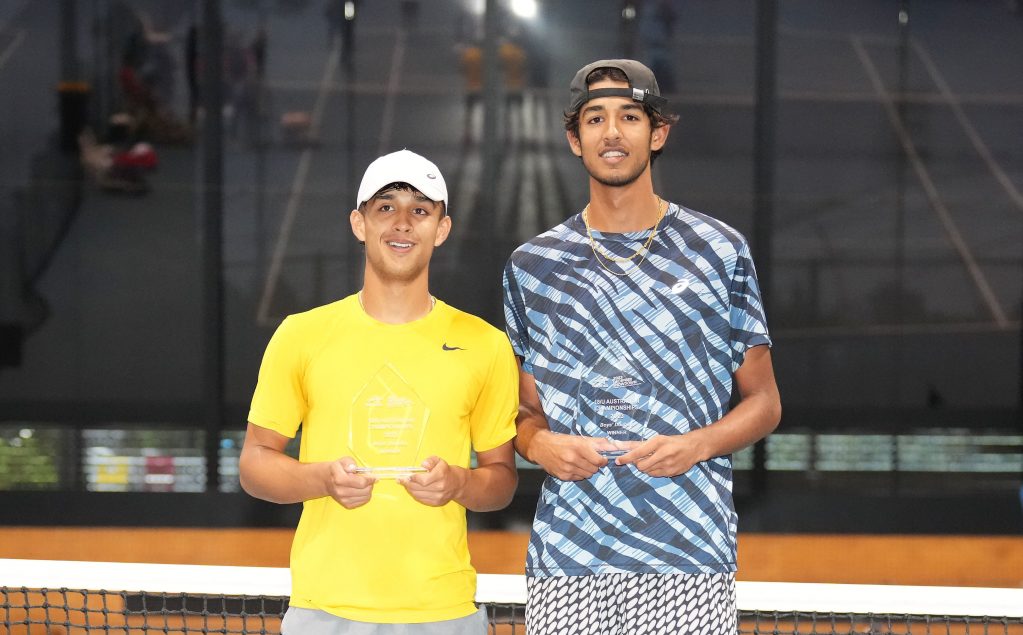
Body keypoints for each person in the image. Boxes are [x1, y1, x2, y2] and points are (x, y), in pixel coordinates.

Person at [502, 59, 781, 634]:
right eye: (595, 118)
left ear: (657, 133)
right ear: (574, 139)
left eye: (629, 116)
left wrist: (698, 445)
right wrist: (540, 445)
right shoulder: (533, 267)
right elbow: (521, 412)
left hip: (690, 559)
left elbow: (764, 402)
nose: (611, 132)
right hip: (569, 562)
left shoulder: (718, 251)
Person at [241, 149, 519, 634]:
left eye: (420, 210)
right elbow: (254, 465)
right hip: (324, 611)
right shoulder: (300, 335)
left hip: (443, 611)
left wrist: (458, 483)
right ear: (359, 223)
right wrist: (323, 479)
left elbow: (501, 480)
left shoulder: (486, 345)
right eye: (385, 207)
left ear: (442, 228)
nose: (402, 223)